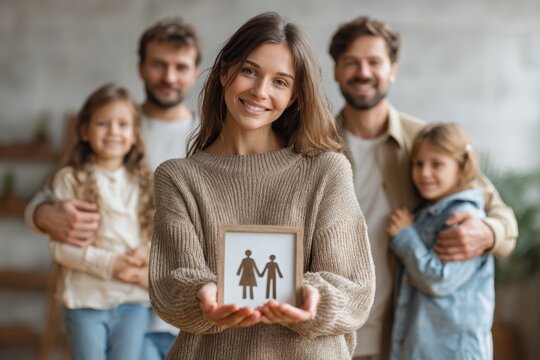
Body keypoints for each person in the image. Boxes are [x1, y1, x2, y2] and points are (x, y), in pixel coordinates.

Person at [149, 11, 375, 360]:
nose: (260, 91)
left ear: (295, 96)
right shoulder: (178, 177)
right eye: (250, 71)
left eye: (280, 82)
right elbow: (169, 284)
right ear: (225, 72)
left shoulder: (327, 171)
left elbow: (355, 290)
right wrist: (203, 296)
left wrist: (312, 298)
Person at [328, 16, 517, 359]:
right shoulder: (315, 143)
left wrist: (488, 233)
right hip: (333, 332)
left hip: (402, 335)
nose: (363, 72)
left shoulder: (426, 144)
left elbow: (499, 212)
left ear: (392, 70)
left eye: (374, 62)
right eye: (351, 62)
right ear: (336, 71)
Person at [24, 17, 202, 359]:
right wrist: (45, 213)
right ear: (140, 67)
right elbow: (50, 194)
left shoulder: (206, 139)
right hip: (104, 303)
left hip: (179, 318)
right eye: (159, 65)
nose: (169, 77)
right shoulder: (109, 124)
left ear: (195, 72)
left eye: (181, 67)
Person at [49, 83, 153, 360]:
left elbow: (162, 236)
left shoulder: (146, 183)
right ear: (84, 131)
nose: (113, 132)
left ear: (135, 134)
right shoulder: (70, 180)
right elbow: (60, 249)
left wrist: (147, 251)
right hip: (85, 302)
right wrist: (111, 263)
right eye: (103, 123)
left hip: (133, 302)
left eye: (122, 124)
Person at [387, 123, 494, 359]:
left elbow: (438, 280)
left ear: (461, 167)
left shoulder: (462, 217)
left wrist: (405, 236)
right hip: (422, 346)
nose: (424, 173)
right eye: (418, 164)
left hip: (452, 351)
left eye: (437, 164)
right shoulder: (428, 211)